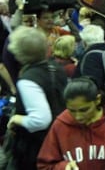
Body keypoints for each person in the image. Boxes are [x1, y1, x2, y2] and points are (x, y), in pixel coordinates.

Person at [37, 77, 105, 169]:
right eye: (72, 110)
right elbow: (45, 165)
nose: (78, 116)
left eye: (84, 110)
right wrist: (64, 167)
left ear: (97, 100)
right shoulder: (61, 124)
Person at [6, 26, 67, 169]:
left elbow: (40, 120)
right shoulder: (57, 69)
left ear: (20, 54)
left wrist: (17, 119)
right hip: (60, 140)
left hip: (35, 148)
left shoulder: (28, 80)